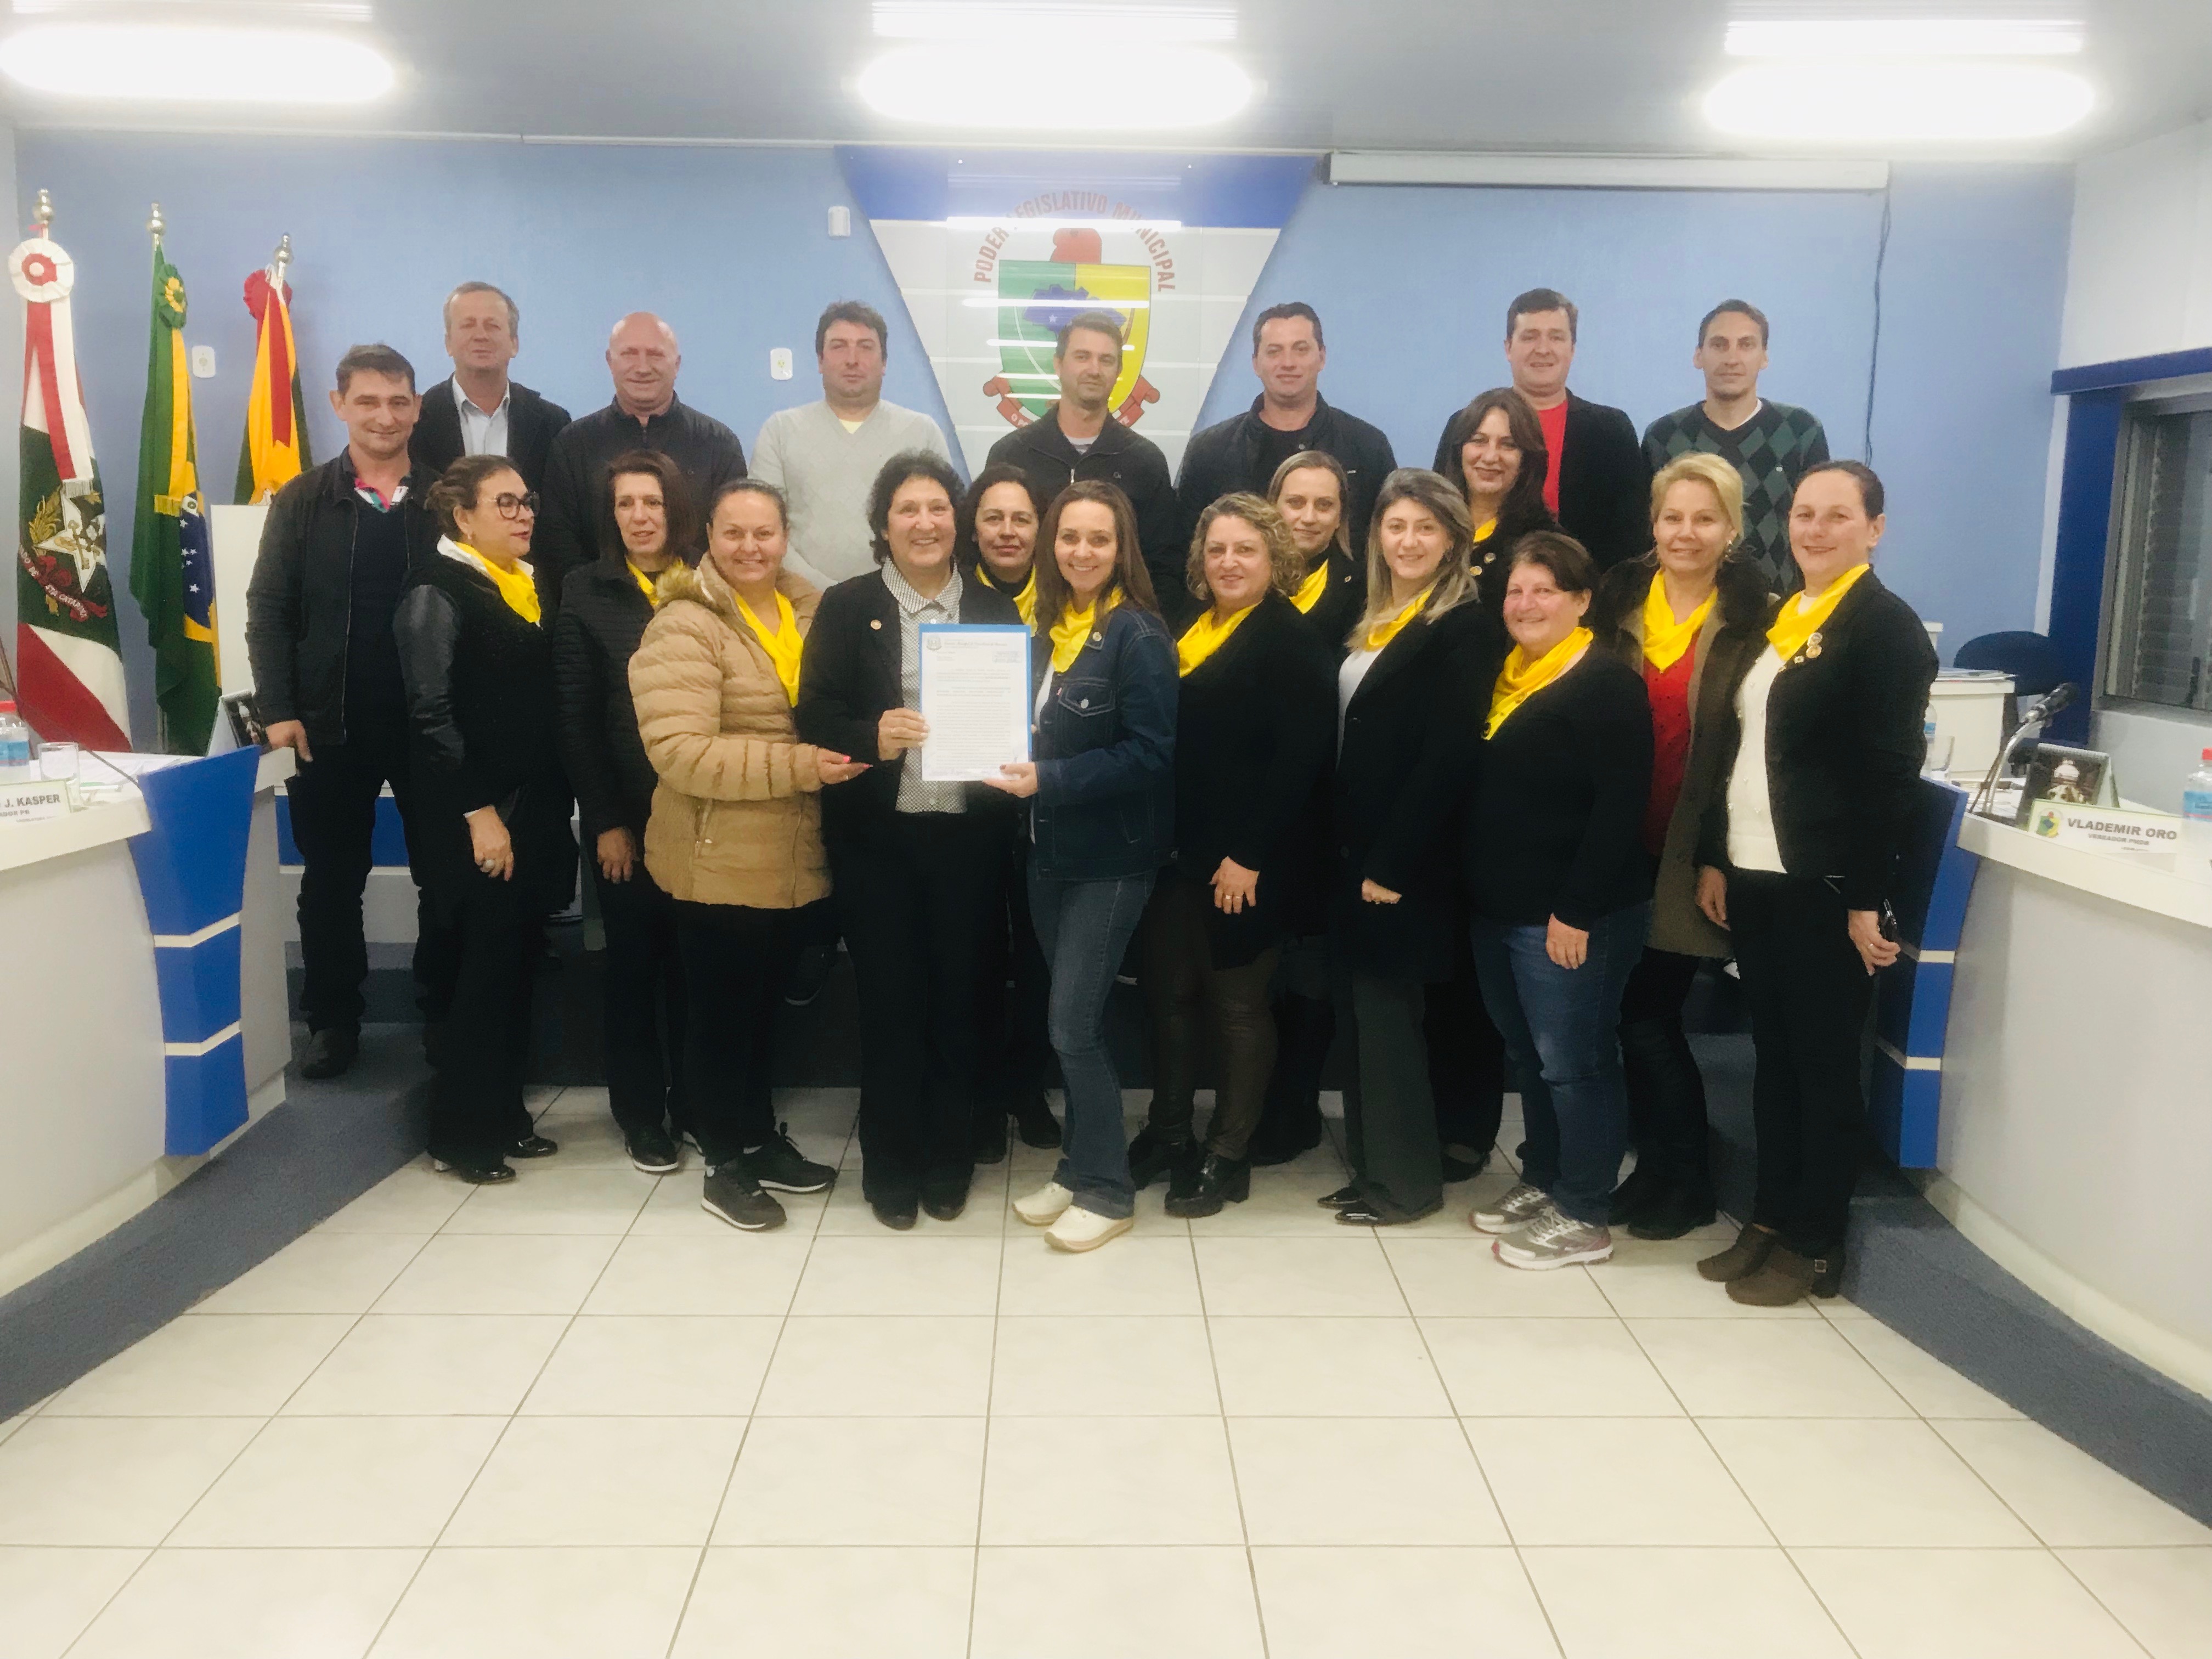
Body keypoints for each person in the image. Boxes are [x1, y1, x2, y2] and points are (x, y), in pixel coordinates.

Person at [1694, 461, 1937, 1305]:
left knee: (1824, 1068)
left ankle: (1814, 1241)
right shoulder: (1787, 615)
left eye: (1838, 515)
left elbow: (1888, 777)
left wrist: (1866, 897)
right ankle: (1769, 1218)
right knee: (1777, 1060)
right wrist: (1718, 855)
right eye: (1804, 514)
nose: (1816, 530)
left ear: (1875, 528)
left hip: (1826, 885)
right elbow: (1741, 750)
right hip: (1757, 871)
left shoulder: (1885, 629)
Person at [795, 452, 1024, 1229]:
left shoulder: (995, 610)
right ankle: (891, 1164)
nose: (924, 523)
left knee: (962, 1001)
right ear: (883, 524)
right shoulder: (846, 605)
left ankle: (949, 1159)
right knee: (891, 1005)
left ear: (958, 522)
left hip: (970, 842)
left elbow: (1020, 716)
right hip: (878, 845)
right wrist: (873, 734)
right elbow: (814, 713)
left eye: (937, 509)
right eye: (907, 510)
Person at [631, 478, 861, 1230]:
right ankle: (722, 1164)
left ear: (786, 537)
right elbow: (681, 752)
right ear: (708, 538)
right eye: (734, 533)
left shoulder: (810, 610)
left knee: (761, 1013)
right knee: (720, 1019)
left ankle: (759, 1139)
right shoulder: (685, 624)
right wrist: (803, 767)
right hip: (717, 859)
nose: (750, 547)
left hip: (790, 857)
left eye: (765, 533)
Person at [1128, 494, 1333, 1215]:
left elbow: (1301, 761)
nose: (1229, 562)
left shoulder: (1292, 639)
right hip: (1177, 855)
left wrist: (1248, 855)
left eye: (1246, 549)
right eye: (1216, 549)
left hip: (1245, 864)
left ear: (1275, 557)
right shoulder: (1192, 625)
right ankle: (1169, 1133)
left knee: (1238, 1007)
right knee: (1170, 997)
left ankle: (1228, 1151)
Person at [245, 343, 442, 1080]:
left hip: (430, 723)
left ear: (417, 408)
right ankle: (333, 1021)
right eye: (367, 401)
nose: (384, 416)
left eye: (398, 401)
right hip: (328, 723)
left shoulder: (447, 497)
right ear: (339, 406)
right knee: (331, 880)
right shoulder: (303, 499)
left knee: (443, 876)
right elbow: (268, 609)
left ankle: (444, 1013)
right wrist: (279, 708)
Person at [1588, 453, 1771, 1239]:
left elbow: (1750, 752)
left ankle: (1687, 1181)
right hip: (1616, 840)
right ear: (1653, 523)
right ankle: (1653, 1173)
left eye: (1705, 519)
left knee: (1649, 1015)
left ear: (1731, 529)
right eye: (1673, 517)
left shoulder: (1756, 620)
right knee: (1624, 1016)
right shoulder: (1619, 601)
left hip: (1688, 848)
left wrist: (1717, 857)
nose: (1686, 533)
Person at [1463, 532, 1654, 1268]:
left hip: (1573, 918)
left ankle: (1584, 1211)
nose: (1526, 603)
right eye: (1517, 591)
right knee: (1530, 1056)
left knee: (1576, 1064)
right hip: (1502, 910)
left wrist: (1576, 910)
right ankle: (1544, 1177)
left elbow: (1619, 807)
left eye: (1545, 590)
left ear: (1581, 600)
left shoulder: (1606, 683)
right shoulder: (1510, 676)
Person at [995, 481, 1176, 1251]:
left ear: (1122, 547)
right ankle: (1077, 1170)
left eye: (1099, 538)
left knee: (1072, 1027)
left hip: (1111, 862)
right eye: (1069, 537)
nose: (1082, 551)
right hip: (1049, 854)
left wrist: (1051, 779)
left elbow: (1151, 754)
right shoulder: (1048, 629)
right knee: (1072, 1023)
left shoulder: (1138, 635)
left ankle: (1107, 1190)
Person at [394, 456, 578, 1182]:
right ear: (462, 517)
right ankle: (461, 1137)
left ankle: (504, 1116)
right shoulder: (434, 592)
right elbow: (430, 713)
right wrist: (479, 814)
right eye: (505, 503)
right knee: (478, 976)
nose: (523, 514)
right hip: (475, 818)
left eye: (526, 501)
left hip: (531, 810)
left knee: (515, 968)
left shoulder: (525, 582)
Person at [1326, 469, 1500, 1228]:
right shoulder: (1376, 616)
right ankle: (1372, 1170)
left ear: (1454, 540)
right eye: (1396, 526)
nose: (1408, 541)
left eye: (1426, 528)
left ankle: (1405, 1186)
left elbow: (1449, 756)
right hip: (1353, 850)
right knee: (1361, 1018)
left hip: (1404, 861)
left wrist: (1392, 863)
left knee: (1390, 1021)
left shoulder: (1464, 626)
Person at [553, 451, 698, 1173]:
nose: (640, 517)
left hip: (704, 817)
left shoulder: (708, 583)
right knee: (635, 969)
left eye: (653, 502)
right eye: (625, 504)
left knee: (697, 969)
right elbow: (575, 718)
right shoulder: (586, 589)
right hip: (628, 821)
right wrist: (606, 820)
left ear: (677, 509)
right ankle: (642, 1116)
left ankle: (697, 1104)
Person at [1238, 449, 1362, 1165]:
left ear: (1342, 516)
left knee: (1309, 966)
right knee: (1263, 966)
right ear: (1272, 505)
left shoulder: (1361, 589)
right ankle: (1256, 1103)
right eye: (1295, 502)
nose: (1308, 517)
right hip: (1257, 807)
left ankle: (1296, 1107)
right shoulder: (1245, 578)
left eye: (1324, 505)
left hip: (1326, 810)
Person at [954, 465, 1063, 1159]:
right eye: (993, 518)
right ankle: (983, 1098)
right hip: (967, 812)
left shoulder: (1066, 599)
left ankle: (1028, 1089)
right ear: (974, 527)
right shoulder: (951, 598)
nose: (1008, 532)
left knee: (1040, 961)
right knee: (976, 958)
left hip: (1048, 813)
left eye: (1022, 518)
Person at [534, 312, 747, 617]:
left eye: (656, 355)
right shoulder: (572, 444)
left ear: (677, 364)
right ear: (610, 362)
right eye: (629, 354)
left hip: (702, 614)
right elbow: (558, 542)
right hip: (599, 618)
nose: (643, 367)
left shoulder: (719, 444)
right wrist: (599, 608)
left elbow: (733, 535)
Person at [984, 309, 1183, 626]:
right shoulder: (1011, 454)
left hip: (1115, 637)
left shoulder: (1145, 461)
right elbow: (987, 557)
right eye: (1082, 356)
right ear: (1058, 364)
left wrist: (1135, 633)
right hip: (1025, 631)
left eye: (1106, 360)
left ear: (1119, 371)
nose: (1094, 369)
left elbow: (1164, 568)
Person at [1434, 289, 1649, 572]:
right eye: (1530, 337)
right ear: (1508, 348)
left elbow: (1632, 539)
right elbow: (1439, 511)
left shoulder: (1611, 431)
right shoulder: (1463, 425)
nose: (1543, 349)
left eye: (1556, 337)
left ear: (1572, 349)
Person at [753, 300, 955, 590]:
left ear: (884, 363)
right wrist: (824, 593)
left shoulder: (922, 432)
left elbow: (942, 525)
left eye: (865, 347)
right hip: (800, 601)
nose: (852, 359)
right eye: (839, 346)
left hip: (901, 599)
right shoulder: (779, 431)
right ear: (820, 361)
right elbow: (763, 528)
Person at [1175, 302, 1397, 558]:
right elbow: (1186, 554)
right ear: (1256, 363)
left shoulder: (1368, 447)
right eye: (1274, 352)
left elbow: (1387, 544)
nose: (1288, 363)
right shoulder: (1209, 452)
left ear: (1322, 357)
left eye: (1301, 350)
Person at [1642, 300, 1831, 594]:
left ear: (1764, 356)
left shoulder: (1800, 431)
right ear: (1698, 355)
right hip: (1685, 606)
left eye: (1746, 345)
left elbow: (1820, 528)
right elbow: (1647, 534)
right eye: (1719, 345)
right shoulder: (1664, 436)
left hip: (1779, 605)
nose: (1732, 358)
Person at [409, 282, 572, 492]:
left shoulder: (553, 423)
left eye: (493, 326)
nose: (481, 336)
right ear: (448, 343)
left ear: (514, 343)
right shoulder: (417, 420)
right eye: (468, 325)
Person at [1435, 386, 1560, 612]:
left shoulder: (1547, 546)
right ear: (1459, 451)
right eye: (1479, 441)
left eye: (1508, 445)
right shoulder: (1427, 526)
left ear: (1527, 459)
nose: (1491, 457)